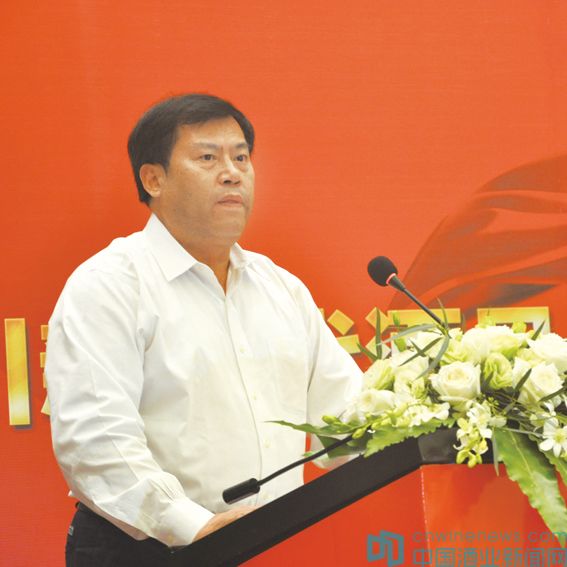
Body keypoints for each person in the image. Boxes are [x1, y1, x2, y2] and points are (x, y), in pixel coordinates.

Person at [46, 93, 361, 566]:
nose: (232, 173)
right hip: (148, 550)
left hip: (277, 546)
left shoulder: (280, 287)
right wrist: (193, 525)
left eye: (241, 158)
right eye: (208, 158)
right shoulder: (110, 285)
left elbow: (345, 417)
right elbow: (96, 440)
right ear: (153, 179)